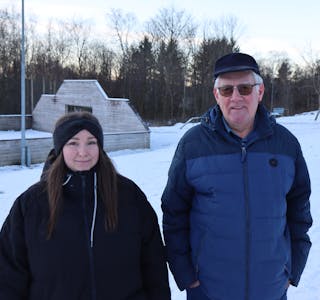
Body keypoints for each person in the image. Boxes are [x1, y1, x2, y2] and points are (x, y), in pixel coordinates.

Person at [161, 52, 312, 300]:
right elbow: (174, 214)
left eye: (244, 88)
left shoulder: (286, 144)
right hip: (208, 291)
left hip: (271, 290)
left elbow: (299, 212)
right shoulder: (193, 144)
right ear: (216, 95)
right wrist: (186, 275)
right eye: (227, 90)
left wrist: (292, 270)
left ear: (260, 92)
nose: (236, 98)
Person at [0, 111, 171, 300]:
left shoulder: (129, 197)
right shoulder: (31, 205)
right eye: (73, 143)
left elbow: (154, 265)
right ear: (60, 148)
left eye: (91, 142)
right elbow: (9, 276)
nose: (83, 152)